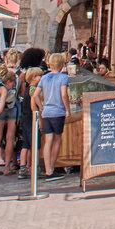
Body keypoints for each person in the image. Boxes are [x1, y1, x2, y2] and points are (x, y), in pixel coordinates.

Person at [36, 51, 71, 179]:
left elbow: (36, 95)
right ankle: (52, 167)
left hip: (47, 112)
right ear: (61, 64)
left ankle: (48, 169)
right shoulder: (63, 77)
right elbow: (63, 95)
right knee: (57, 140)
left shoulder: (44, 77)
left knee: (48, 141)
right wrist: (67, 109)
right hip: (58, 111)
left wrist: (41, 107)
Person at [0, 52, 21, 175]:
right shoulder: (17, 76)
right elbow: (20, 93)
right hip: (12, 107)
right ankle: (7, 167)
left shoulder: (0, 74)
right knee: (10, 138)